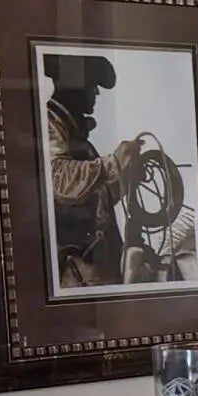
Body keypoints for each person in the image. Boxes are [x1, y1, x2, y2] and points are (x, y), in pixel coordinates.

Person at [44, 51, 126, 290]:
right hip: (75, 269)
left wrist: (127, 175)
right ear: (74, 87)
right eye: (92, 84)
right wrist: (114, 163)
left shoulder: (74, 134)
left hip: (93, 266)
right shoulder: (48, 123)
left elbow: (96, 198)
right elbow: (58, 179)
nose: (97, 93)